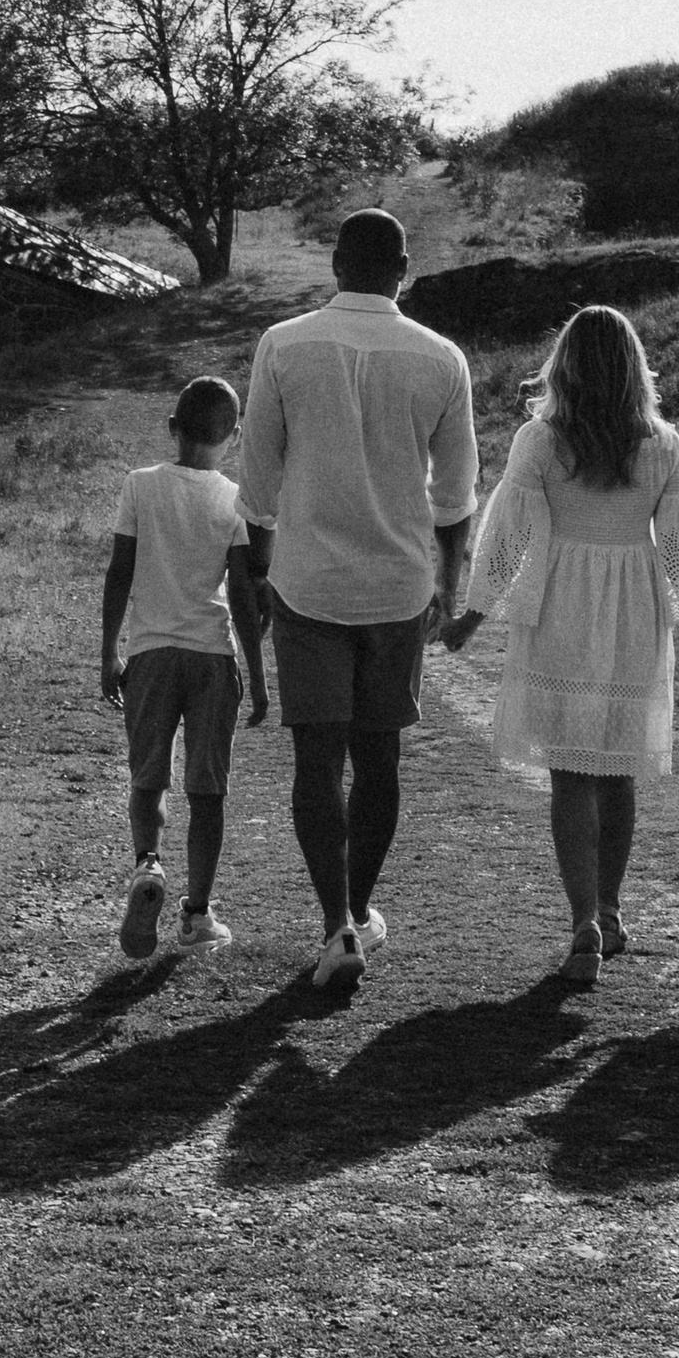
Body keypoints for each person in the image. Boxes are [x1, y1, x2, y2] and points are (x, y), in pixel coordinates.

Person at [446, 303, 679, 986]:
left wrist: (471, 617)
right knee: (617, 767)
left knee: (570, 773)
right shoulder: (663, 443)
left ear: (565, 365)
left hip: (562, 608)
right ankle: (609, 905)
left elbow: (508, 534)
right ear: (635, 366)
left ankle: (583, 918)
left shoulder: (541, 440)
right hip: (634, 606)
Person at [238, 209, 478, 998]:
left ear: (335, 262)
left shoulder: (284, 344)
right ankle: (362, 904)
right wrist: (448, 583)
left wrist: (261, 566)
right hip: (397, 585)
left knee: (317, 758)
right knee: (380, 759)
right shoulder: (441, 357)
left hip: (308, 579)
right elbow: (456, 495)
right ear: (404, 268)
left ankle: (336, 920)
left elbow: (258, 479)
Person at [99, 375, 269, 957]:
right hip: (212, 658)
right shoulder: (235, 500)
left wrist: (109, 653)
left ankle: (148, 864)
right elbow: (243, 597)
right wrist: (259, 679)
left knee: (148, 777)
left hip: (150, 654)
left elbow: (120, 571)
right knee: (208, 790)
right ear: (234, 436)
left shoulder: (140, 485)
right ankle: (197, 914)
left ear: (172, 427)